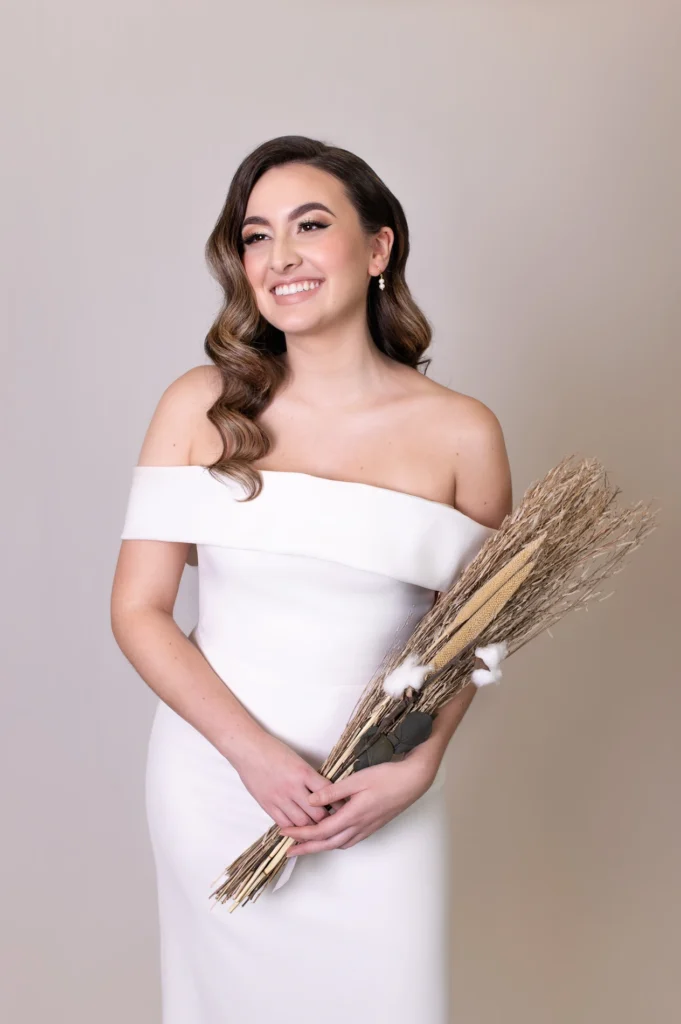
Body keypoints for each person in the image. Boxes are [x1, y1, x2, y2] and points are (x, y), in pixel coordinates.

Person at [110, 134, 512, 1024]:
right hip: (217, 781)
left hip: (377, 789)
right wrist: (254, 758)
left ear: (377, 249)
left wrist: (419, 766)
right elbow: (139, 611)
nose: (279, 257)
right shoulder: (199, 406)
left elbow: (480, 632)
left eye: (310, 225)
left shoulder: (463, 434)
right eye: (256, 236)